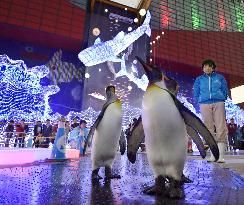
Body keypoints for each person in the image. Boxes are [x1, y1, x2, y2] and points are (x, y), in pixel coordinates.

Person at [193, 59, 228, 163]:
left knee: (221, 126)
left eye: (209, 66)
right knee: (208, 128)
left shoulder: (220, 77)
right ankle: (213, 155)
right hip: (204, 103)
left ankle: (221, 155)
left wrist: (223, 97)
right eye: (205, 66)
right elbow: (196, 91)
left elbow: (225, 89)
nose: (207, 68)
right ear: (203, 68)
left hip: (218, 102)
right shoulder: (199, 79)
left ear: (213, 68)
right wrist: (199, 99)